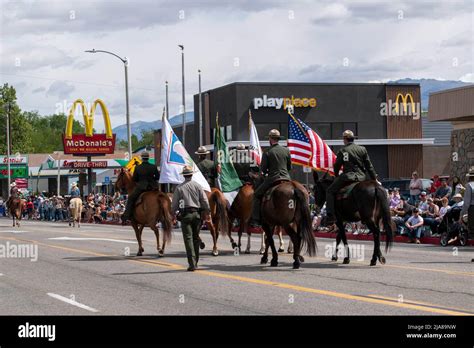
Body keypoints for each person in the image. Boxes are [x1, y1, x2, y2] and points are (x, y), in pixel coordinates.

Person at [326, 130, 377, 227]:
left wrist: (336, 175)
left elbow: (337, 165)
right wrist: (374, 179)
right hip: (362, 177)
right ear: (353, 139)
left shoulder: (343, 150)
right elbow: (369, 166)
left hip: (347, 177)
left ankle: (330, 216)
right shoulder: (362, 149)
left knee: (329, 191)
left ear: (345, 139)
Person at [171, 166, 210, 271]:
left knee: (188, 239)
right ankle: (196, 262)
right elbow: (205, 200)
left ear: (184, 175)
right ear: (191, 175)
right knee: (196, 238)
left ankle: (192, 263)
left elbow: (174, 204)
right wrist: (208, 212)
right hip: (197, 215)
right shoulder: (198, 186)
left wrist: (172, 214)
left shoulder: (179, 188)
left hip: (185, 215)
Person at [250, 129, 292, 227]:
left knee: (256, 195)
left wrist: (262, 174)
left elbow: (263, 169)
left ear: (270, 139)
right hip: (286, 178)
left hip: (273, 178)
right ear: (278, 139)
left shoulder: (267, 151)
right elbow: (289, 167)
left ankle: (256, 219)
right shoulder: (286, 150)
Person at [121, 152, 160, 224]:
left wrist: (141, 180)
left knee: (131, 198)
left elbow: (135, 179)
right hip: (153, 187)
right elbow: (157, 177)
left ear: (142, 158)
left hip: (142, 187)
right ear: (148, 158)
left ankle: (127, 216)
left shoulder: (138, 167)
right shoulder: (153, 166)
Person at [461, 167, 474, 234]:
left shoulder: (469, 185)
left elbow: (467, 202)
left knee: (472, 226)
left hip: (472, 208)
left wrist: (462, 213)